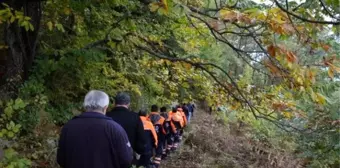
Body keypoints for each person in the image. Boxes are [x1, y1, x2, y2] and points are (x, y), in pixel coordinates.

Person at [57, 90, 133, 168]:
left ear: (85, 106)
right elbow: (126, 159)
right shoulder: (115, 129)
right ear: (105, 107)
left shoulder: (69, 127)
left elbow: (61, 159)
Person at [106, 92, 146, 161]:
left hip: (108, 157)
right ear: (128, 103)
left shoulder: (106, 116)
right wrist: (139, 151)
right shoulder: (135, 117)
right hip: (128, 156)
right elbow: (141, 137)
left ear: (115, 102)